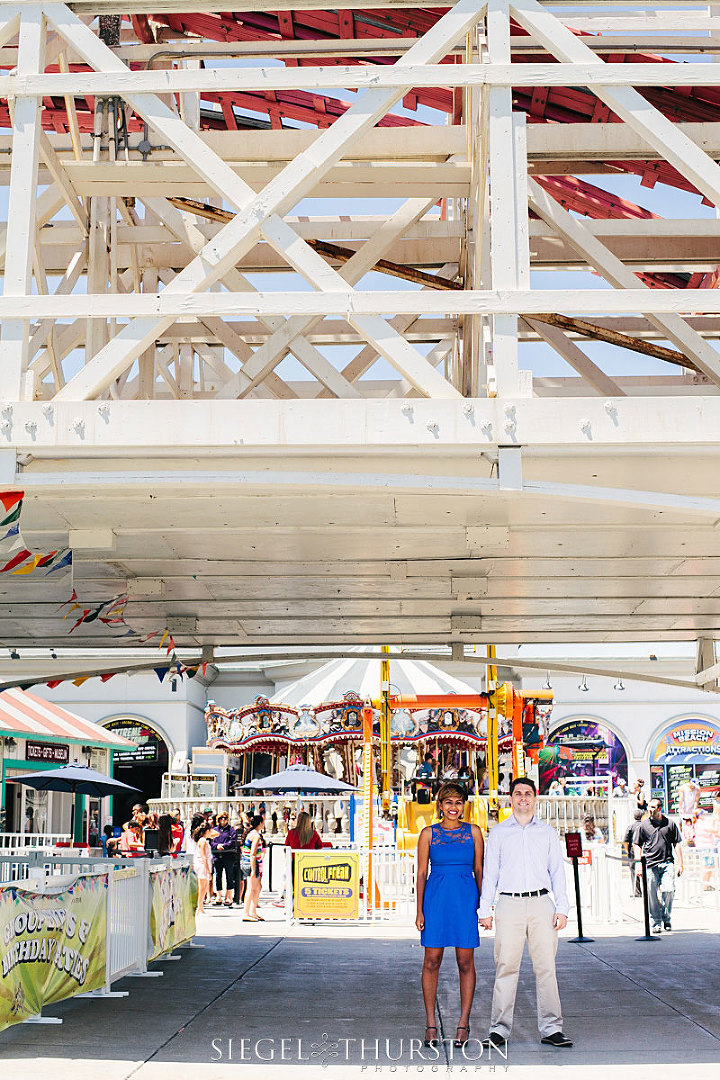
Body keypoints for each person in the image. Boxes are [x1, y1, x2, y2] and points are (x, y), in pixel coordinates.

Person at [479, 776, 572, 1051]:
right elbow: (490, 874)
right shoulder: (498, 833)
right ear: (511, 799)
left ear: (535, 798)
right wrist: (485, 909)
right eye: (518, 793)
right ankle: (498, 1030)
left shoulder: (546, 832)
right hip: (509, 904)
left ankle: (552, 1028)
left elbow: (557, 871)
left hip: (542, 903)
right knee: (506, 967)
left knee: (546, 969)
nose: (522, 798)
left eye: (527, 793)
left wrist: (563, 908)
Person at [415, 782, 484, 1051]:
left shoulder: (475, 833)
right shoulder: (427, 834)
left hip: (465, 900)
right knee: (432, 960)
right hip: (436, 900)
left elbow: (480, 870)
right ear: (440, 805)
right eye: (448, 802)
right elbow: (421, 873)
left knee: (465, 961)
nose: (453, 807)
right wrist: (419, 909)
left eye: (458, 802)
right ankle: (431, 1023)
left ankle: (463, 1024)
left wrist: (484, 906)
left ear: (463, 805)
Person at [635, 797, 683, 933]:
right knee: (651, 892)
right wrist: (638, 863)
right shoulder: (643, 825)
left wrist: (680, 863)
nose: (650, 810)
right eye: (649, 807)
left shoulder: (670, 824)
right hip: (650, 864)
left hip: (667, 862)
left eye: (652, 807)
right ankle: (656, 921)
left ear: (659, 808)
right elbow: (636, 844)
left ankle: (666, 917)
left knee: (668, 889)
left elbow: (677, 843)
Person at [241, 814, 266, 921]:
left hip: (248, 862)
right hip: (252, 863)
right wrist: (254, 869)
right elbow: (253, 854)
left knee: (257, 888)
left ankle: (253, 911)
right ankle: (247, 913)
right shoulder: (255, 836)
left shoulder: (251, 833)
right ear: (260, 823)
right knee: (251, 889)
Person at [210, 811, 238, 906]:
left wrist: (224, 846)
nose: (223, 820)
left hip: (228, 855)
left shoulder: (231, 829)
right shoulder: (215, 830)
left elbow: (233, 841)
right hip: (217, 855)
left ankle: (228, 896)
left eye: (225, 818)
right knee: (218, 876)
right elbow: (210, 841)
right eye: (221, 818)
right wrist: (217, 846)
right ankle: (218, 896)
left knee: (229, 875)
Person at [192, 822, 214, 914]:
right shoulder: (203, 841)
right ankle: (199, 906)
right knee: (202, 887)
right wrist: (208, 871)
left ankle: (200, 907)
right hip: (202, 865)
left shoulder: (203, 840)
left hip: (202, 864)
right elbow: (203, 856)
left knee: (203, 887)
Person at [623, 809, 645, 897]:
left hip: (633, 852)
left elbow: (625, 841)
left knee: (633, 871)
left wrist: (627, 850)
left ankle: (637, 892)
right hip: (645, 852)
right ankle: (648, 890)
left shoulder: (630, 827)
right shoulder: (645, 826)